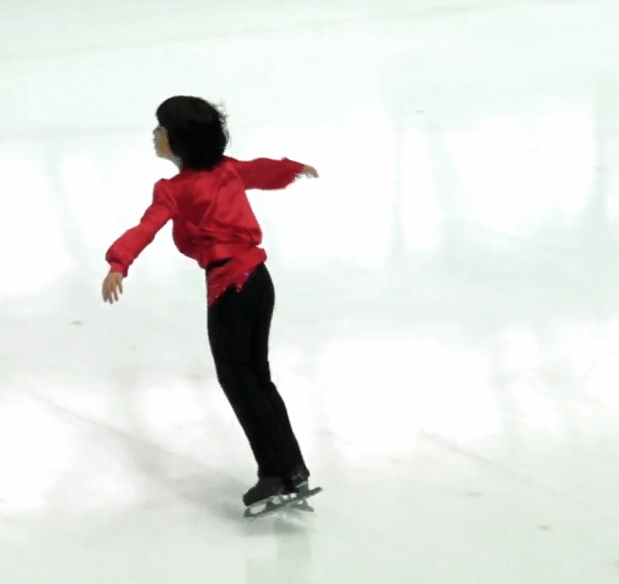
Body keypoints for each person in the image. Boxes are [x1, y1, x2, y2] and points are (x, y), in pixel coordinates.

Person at [101, 95, 319, 508]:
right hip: (258, 280)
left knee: (239, 378)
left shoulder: (173, 191)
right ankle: (291, 468)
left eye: (161, 130)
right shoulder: (227, 170)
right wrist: (291, 169)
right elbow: (260, 170)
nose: (155, 135)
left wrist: (119, 263)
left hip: (231, 285)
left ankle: (275, 473)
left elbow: (146, 227)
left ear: (179, 141)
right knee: (256, 377)